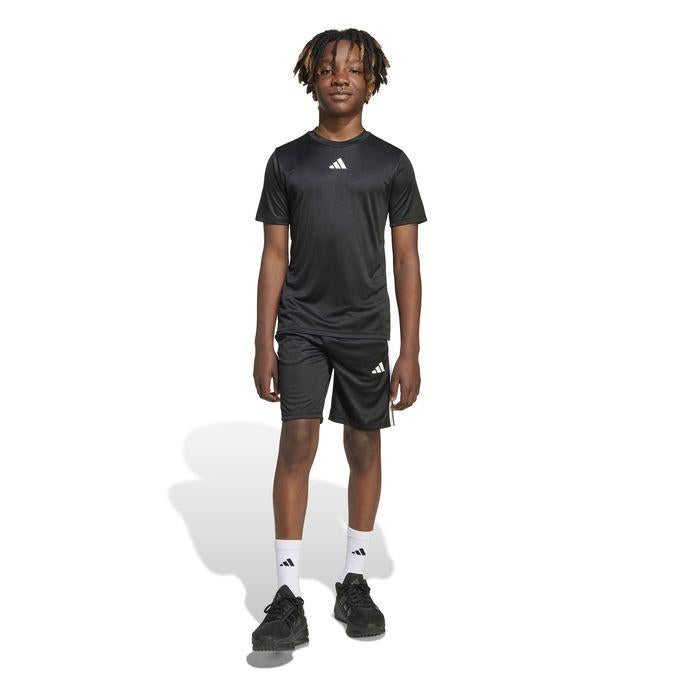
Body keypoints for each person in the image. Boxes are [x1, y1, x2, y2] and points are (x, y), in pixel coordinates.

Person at [251, 27, 427, 652]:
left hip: (364, 330)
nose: (340, 77)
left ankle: (354, 580)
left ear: (372, 80)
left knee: (362, 446)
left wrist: (410, 349)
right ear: (312, 79)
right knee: (297, 440)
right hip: (301, 325)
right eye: (328, 68)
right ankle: (287, 594)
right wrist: (263, 342)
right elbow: (274, 256)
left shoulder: (391, 163)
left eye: (353, 68)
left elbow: (406, 260)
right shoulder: (286, 161)